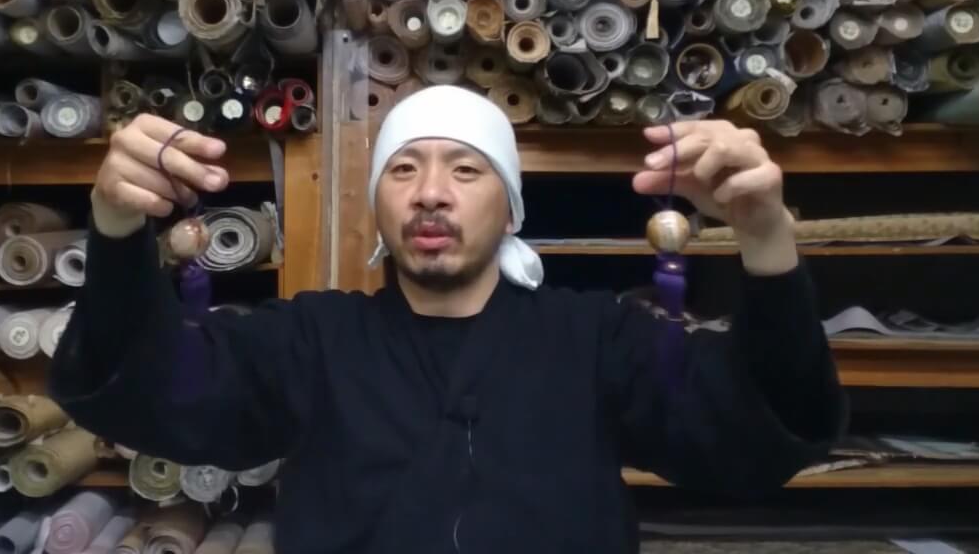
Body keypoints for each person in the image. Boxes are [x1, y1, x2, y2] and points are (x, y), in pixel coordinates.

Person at [50, 85, 846, 554]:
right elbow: (141, 390)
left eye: (466, 169)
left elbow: (762, 431)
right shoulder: (312, 342)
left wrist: (765, 237)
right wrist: (116, 226)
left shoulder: (598, 341)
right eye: (403, 169)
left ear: (511, 211)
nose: (431, 191)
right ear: (379, 207)